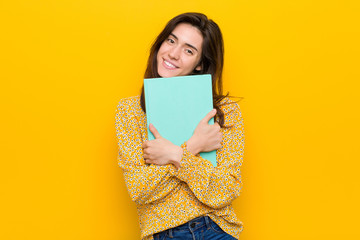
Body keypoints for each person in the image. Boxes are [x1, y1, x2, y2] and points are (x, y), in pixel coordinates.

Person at [115, 12, 245, 240]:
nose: (173, 54)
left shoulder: (224, 111)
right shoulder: (130, 110)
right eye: (171, 40)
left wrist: (174, 154)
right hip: (165, 234)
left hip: (217, 229)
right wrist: (194, 146)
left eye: (189, 50)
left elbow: (226, 191)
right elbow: (139, 191)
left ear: (200, 64)